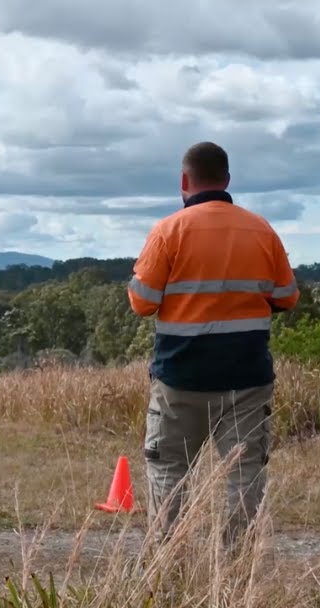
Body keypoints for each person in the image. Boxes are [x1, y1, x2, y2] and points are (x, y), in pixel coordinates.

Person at [127, 141, 299, 549]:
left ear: (184, 181)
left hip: (180, 377)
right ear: (227, 179)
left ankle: (168, 563)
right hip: (246, 376)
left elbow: (142, 303)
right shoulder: (261, 230)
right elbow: (287, 297)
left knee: (169, 470)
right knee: (245, 472)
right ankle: (237, 565)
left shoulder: (168, 231)